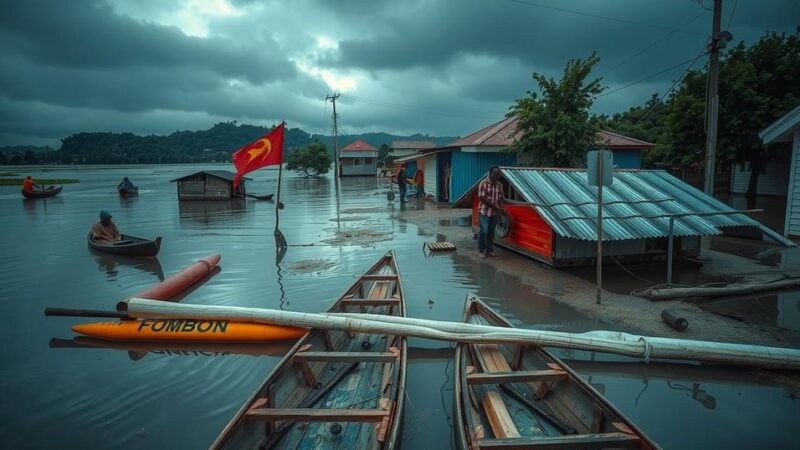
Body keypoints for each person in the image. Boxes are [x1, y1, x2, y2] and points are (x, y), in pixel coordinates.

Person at [477, 166, 504, 258]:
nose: (497, 175)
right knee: (484, 230)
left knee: (491, 232)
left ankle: (489, 250)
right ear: (490, 173)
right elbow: (481, 197)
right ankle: (481, 250)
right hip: (484, 211)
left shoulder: (500, 185)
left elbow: (500, 198)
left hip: (494, 213)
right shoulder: (483, 183)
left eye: (498, 174)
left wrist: (501, 209)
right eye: (495, 173)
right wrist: (495, 207)